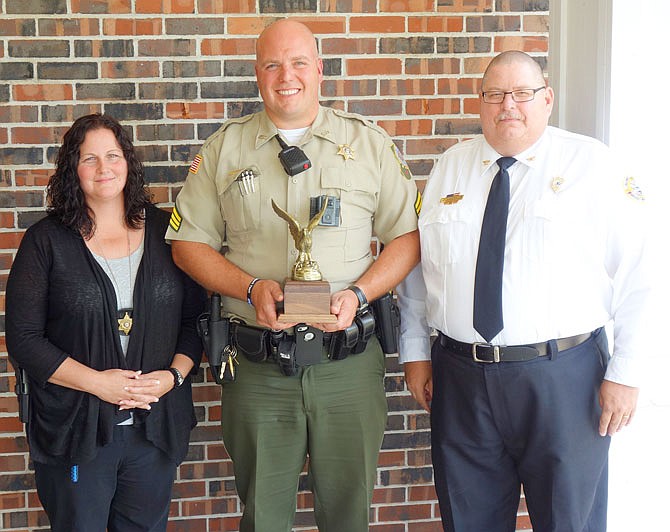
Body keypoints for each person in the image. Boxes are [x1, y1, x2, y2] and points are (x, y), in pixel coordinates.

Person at [165, 18, 421, 532]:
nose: (287, 76)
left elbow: (408, 238)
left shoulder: (368, 144)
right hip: (259, 369)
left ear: (320, 69)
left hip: (347, 367)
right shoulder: (223, 151)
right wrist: (251, 287)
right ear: (257, 74)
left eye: (299, 62)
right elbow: (187, 244)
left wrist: (359, 292)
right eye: (272, 64)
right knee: (262, 516)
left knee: (348, 515)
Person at [398, 50, 652, 531]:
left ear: (547, 99)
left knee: (567, 522)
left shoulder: (592, 165)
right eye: (495, 94)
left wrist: (627, 372)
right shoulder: (450, 168)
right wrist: (415, 352)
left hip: (564, 380)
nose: (507, 106)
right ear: (480, 102)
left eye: (522, 93)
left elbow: (643, 272)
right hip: (461, 379)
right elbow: (418, 271)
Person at [6, 113, 206, 532]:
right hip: (78, 433)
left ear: (128, 163)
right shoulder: (47, 241)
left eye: (113, 156)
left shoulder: (167, 231)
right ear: (72, 170)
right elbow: (23, 339)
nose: (104, 169)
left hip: (154, 430)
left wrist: (172, 377)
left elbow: (195, 320)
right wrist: (98, 383)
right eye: (89, 158)